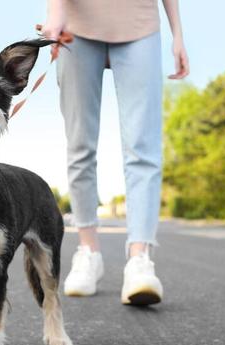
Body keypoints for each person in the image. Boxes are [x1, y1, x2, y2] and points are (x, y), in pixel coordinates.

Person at [42, 0, 189, 305]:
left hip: (140, 23)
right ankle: (88, 252)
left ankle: (140, 260)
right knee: (79, 146)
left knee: (143, 149)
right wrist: (55, 15)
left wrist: (178, 34)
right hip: (76, 25)